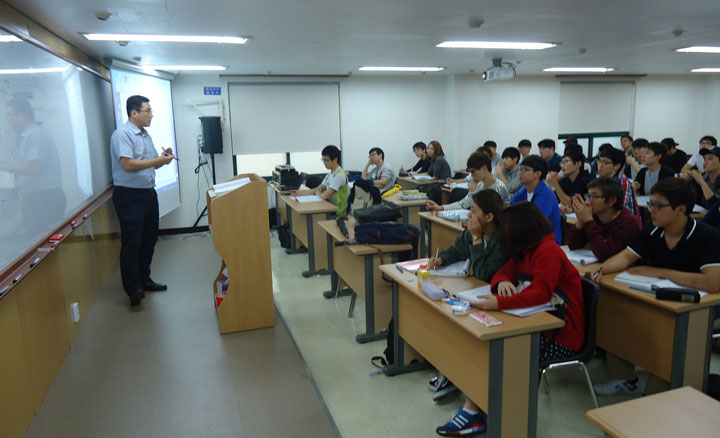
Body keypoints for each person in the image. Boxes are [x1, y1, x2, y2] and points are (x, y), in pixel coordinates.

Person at [436, 202, 585, 437]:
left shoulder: (548, 251)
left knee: (501, 353)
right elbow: (503, 272)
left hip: (561, 334)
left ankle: (475, 411)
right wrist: (502, 282)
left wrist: (499, 302)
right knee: (484, 345)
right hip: (534, 323)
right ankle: (475, 403)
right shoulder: (525, 249)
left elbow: (540, 294)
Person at [590, 177, 720, 396]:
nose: (651, 210)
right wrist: (601, 270)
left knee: (667, 342)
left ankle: (659, 391)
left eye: (658, 206)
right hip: (659, 297)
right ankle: (624, 378)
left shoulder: (708, 236)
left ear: (681, 209)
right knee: (616, 314)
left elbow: (713, 282)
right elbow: (625, 257)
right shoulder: (653, 230)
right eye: (651, 204)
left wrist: (659, 272)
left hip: (696, 307)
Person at [110, 95, 174, 306]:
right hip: (129, 196)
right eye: (148, 111)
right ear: (134, 113)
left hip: (148, 194)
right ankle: (133, 289)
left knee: (149, 239)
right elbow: (127, 164)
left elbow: (153, 163)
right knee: (132, 242)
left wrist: (164, 159)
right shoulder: (122, 134)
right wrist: (157, 160)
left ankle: (144, 279)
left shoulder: (146, 136)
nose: (151, 115)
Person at [1, 98, 66, 238]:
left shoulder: (36, 135)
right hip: (37, 200)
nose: (7, 120)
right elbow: (25, 164)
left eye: (9, 115)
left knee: (41, 242)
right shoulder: (27, 136)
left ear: (21, 116)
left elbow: (34, 168)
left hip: (44, 200)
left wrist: (4, 167)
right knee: (37, 240)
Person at [429, 190, 506, 283]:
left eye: (473, 211)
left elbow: (483, 274)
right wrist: (441, 259)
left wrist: (477, 239)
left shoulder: (503, 238)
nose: (469, 215)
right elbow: (456, 250)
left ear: (489, 217)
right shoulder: (474, 230)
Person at [566, 177, 642, 261]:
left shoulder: (628, 223)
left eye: (594, 197)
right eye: (588, 196)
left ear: (611, 200)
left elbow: (604, 254)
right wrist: (580, 221)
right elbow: (573, 246)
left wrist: (588, 220)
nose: (588, 202)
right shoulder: (594, 215)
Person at [426, 152, 509, 213]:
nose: (471, 175)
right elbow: (463, 204)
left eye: (473, 172)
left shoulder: (499, 188)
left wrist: (475, 192)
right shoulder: (480, 184)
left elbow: (487, 213)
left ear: (484, 168)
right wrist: (441, 208)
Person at [510, 155, 562, 244]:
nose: (520, 173)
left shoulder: (546, 195)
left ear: (538, 174)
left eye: (525, 170)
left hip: (546, 242)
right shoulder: (524, 190)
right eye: (520, 169)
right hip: (528, 238)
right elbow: (511, 210)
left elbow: (534, 223)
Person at [292, 145, 348, 216]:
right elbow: (316, 190)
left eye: (326, 160)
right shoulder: (329, 175)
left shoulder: (339, 175)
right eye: (323, 160)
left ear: (335, 160)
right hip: (328, 207)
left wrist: (318, 193)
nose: (324, 163)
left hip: (338, 213)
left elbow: (324, 196)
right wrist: (298, 193)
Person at [597, 147, 641, 218]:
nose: (600, 165)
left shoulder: (623, 183)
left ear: (617, 166)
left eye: (606, 162)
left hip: (624, 221)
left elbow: (619, 211)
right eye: (599, 161)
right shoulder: (599, 179)